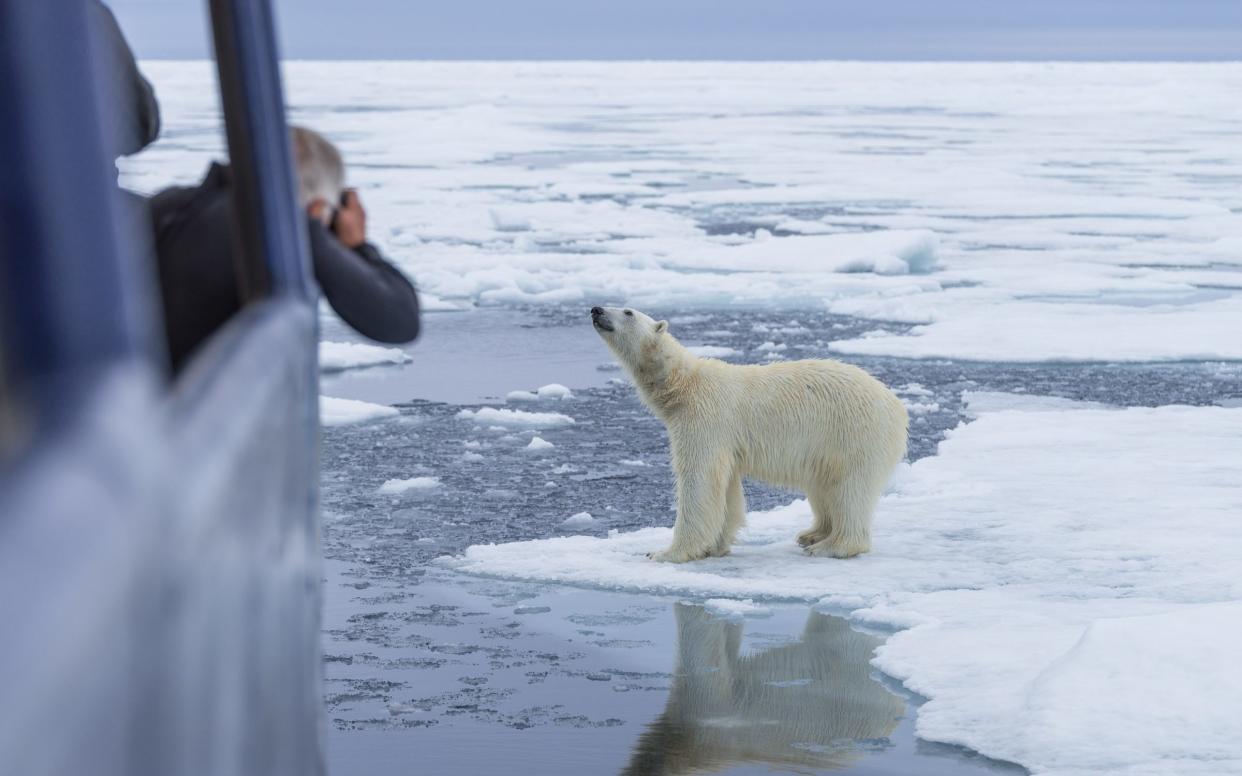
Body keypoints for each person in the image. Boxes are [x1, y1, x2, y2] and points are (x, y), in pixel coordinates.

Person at [150, 127, 420, 373]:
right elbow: (399, 320)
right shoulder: (279, 224)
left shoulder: (165, 206)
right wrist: (358, 247)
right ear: (317, 208)